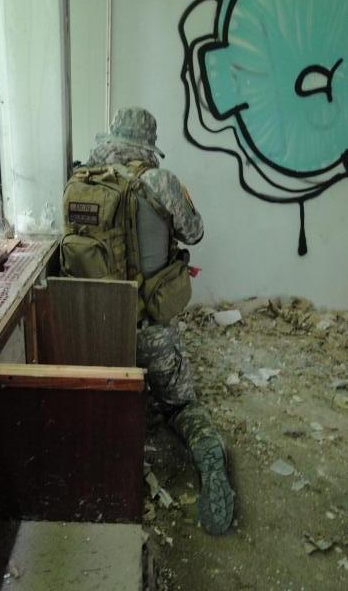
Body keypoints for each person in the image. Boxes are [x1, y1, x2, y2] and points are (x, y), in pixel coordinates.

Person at [86, 106, 234, 535]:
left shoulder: (83, 180)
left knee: (104, 406)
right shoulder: (159, 181)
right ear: (148, 144)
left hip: (97, 330)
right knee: (180, 404)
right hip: (151, 330)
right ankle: (208, 457)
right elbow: (195, 231)